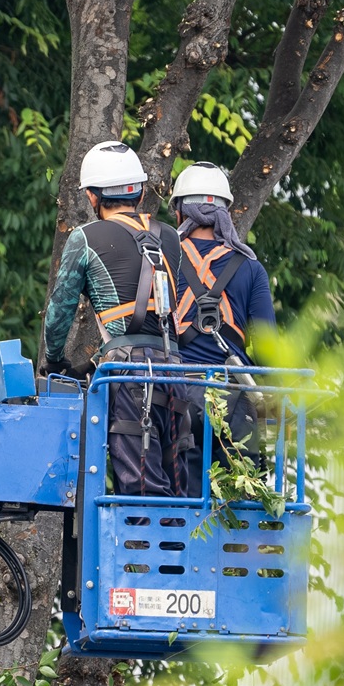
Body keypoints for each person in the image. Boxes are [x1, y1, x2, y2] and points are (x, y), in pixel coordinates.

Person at [42, 140, 193, 496]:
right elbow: (168, 315)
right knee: (177, 480)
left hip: (130, 376)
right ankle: (177, 549)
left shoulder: (85, 238)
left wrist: (55, 360)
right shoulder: (170, 238)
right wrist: (95, 360)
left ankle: (142, 549)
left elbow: (60, 309)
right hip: (174, 367)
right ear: (139, 193)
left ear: (93, 197)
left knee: (140, 483)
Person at [167, 161, 277, 477]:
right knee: (241, 501)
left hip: (176, 399)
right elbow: (269, 350)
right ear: (225, 214)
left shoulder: (163, 260)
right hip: (235, 401)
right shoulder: (251, 268)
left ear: (179, 212)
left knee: (179, 501)